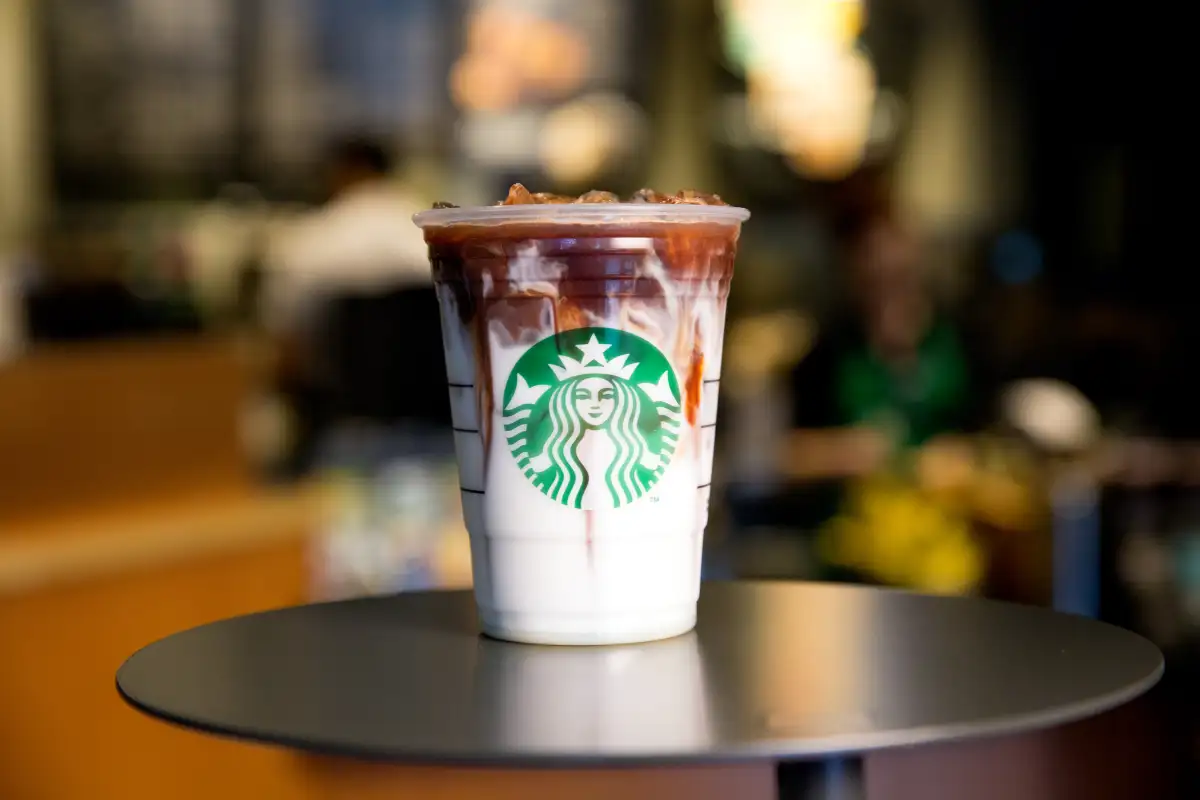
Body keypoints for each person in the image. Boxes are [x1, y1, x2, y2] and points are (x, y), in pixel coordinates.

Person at [263, 136, 443, 477]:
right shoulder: (434, 234)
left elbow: (289, 347)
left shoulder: (311, 240)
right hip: (441, 429)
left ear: (342, 172)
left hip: (346, 430)